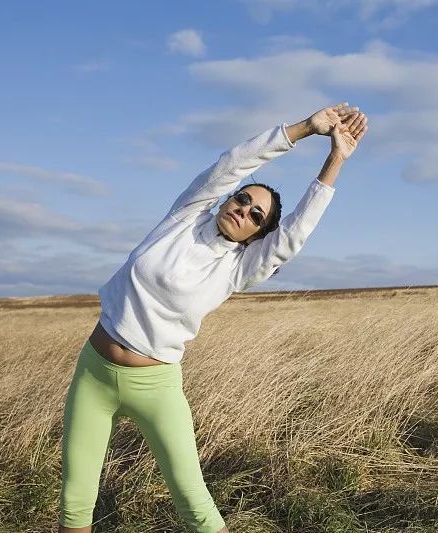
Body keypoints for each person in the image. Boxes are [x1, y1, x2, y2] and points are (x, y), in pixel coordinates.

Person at [58, 103, 369, 532]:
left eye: (255, 215)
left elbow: (293, 234)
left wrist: (335, 159)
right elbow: (233, 163)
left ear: (256, 237)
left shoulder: (237, 268)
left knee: (193, 501)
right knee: (76, 501)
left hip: (155, 386)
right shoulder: (184, 217)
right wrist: (303, 129)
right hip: (94, 371)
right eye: (243, 199)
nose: (243, 210)